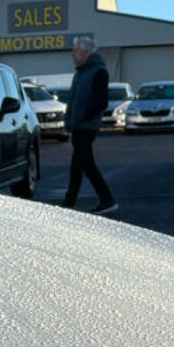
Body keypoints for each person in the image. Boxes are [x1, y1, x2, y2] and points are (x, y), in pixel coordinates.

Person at [61, 38, 117, 215]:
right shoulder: (81, 73)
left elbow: (101, 101)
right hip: (78, 126)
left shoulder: (98, 72)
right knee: (81, 164)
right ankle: (72, 203)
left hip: (87, 126)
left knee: (83, 164)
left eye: (76, 50)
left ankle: (103, 200)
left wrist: (84, 116)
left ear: (85, 54)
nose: (72, 53)